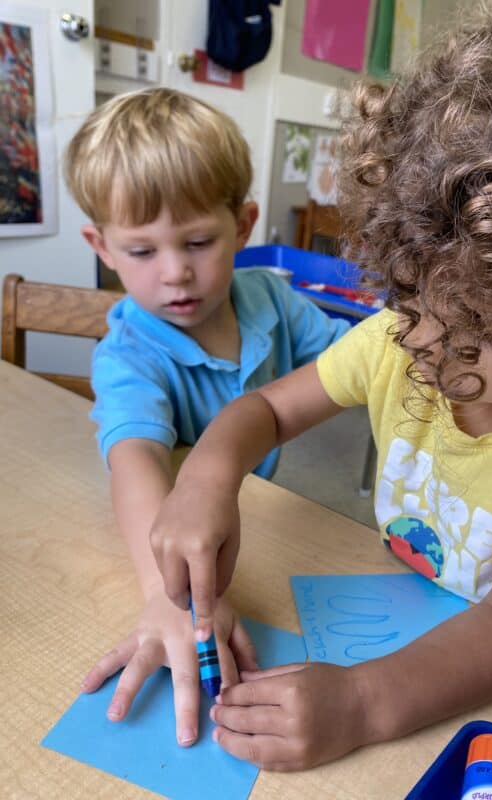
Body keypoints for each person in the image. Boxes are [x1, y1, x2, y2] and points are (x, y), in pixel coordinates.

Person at [148, 0, 492, 771]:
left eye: (474, 329)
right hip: (412, 604)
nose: (422, 342)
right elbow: (262, 409)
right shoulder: (397, 341)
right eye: (410, 298)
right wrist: (207, 477)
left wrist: (364, 702)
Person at [63, 87, 349, 748]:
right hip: (174, 540)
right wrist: (167, 596)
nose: (176, 275)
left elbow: (349, 359)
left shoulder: (273, 300)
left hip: (263, 515)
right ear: (100, 245)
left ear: (244, 225)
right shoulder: (127, 354)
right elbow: (134, 462)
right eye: (141, 252)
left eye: (197, 241)